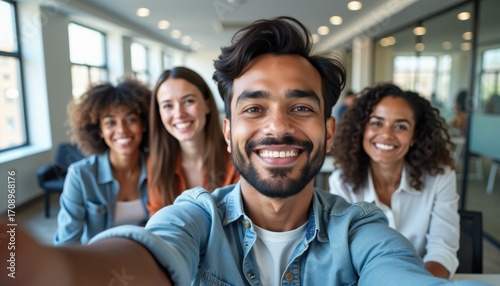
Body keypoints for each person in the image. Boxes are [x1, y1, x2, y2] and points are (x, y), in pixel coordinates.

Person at [1, 17, 479, 286]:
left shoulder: (361, 229)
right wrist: (54, 272)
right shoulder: (193, 216)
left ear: (329, 131)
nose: (277, 126)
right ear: (229, 131)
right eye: (254, 108)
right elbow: (146, 253)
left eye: (300, 106)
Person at [329, 83, 459, 278]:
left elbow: (442, 249)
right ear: (362, 129)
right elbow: (344, 257)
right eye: (376, 123)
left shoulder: (440, 177)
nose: (387, 134)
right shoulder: (342, 182)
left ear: (414, 136)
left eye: (400, 126)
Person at [53, 79, 151, 245]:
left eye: (130, 119)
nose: (122, 130)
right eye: (110, 122)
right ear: (100, 131)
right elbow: (67, 243)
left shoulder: (160, 167)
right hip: (99, 263)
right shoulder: (80, 175)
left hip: (149, 261)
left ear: (143, 124)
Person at [147, 67, 239, 216]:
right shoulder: (157, 163)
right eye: (168, 106)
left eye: (188, 101)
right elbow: (157, 223)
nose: (179, 114)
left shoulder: (236, 160)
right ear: (159, 113)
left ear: (207, 105)